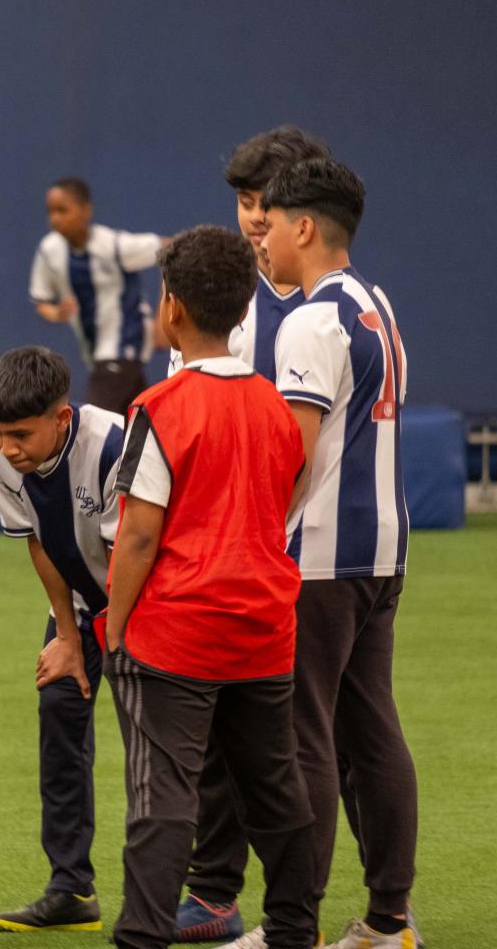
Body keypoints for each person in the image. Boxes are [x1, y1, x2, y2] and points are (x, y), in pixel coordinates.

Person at [103, 225, 316, 949]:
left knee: (162, 797)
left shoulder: (159, 408)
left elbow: (137, 534)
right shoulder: (277, 410)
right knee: (276, 788)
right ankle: (293, 929)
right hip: (263, 629)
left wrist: (116, 625)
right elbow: (290, 490)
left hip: (178, 635)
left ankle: (142, 937)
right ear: (247, 308)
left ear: (171, 310)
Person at [167, 124, 332, 945]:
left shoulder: (312, 313)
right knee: (217, 746)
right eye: (243, 202)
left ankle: (319, 913)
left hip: (284, 553)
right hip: (213, 557)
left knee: (285, 747)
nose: (253, 220)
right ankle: (219, 892)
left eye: (266, 204)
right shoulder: (219, 291)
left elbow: (298, 453)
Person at [255, 158, 417, 949]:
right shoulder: (377, 307)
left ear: (306, 228)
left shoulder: (309, 321)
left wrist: (255, 539)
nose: (264, 235)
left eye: (273, 222)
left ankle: (295, 929)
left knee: (305, 737)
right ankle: (390, 920)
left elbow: (294, 451)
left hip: (320, 557)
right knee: (372, 731)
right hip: (384, 551)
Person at [0, 347, 123, 934]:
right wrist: (67, 633)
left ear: (62, 419)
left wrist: (124, 641)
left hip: (148, 607)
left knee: (162, 748)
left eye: (21, 434)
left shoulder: (115, 446)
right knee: (59, 717)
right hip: (83, 608)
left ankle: (196, 894)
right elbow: (37, 538)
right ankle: (70, 891)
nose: (8, 448)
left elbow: (132, 552)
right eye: (0, 432)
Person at [29, 177, 167, 414]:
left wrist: (164, 317)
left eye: (63, 210)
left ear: (86, 211)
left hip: (123, 346)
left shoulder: (113, 246)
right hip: (99, 357)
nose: (55, 219)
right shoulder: (49, 251)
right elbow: (41, 301)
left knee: (94, 424)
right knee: (136, 430)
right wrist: (57, 312)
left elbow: (171, 248)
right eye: (51, 212)